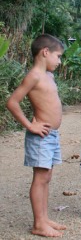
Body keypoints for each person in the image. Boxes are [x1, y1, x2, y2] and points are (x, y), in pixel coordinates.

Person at [6, 34, 66, 237]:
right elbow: (12, 102)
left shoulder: (48, 75)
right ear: (45, 52)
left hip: (52, 135)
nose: (59, 61)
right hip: (40, 136)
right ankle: (38, 223)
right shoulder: (34, 76)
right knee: (40, 178)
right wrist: (30, 126)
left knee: (46, 176)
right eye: (58, 56)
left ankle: (44, 217)